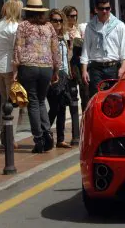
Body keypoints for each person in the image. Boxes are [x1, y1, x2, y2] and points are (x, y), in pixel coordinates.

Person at [13, 0, 60, 153]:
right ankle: (47, 133)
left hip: (28, 66)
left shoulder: (23, 26)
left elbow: (18, 48)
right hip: (46, 67)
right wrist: (56, 69)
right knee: (41, 101)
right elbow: (55, 50)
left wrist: (15, 70)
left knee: (33, 102)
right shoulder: (49, 27)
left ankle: (39, 139)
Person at [81, 0, 125, 99]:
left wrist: (123, 67)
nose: (104, 11)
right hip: (96, 68)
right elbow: (86, 49)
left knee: (113, 99)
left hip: (113, 67)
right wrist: (84, 70)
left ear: (110, 8)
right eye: (101, 8)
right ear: (96, 9)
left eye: (107, 8)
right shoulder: (90, 27)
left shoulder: (119, 25)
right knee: (96, 98)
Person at [0, 0, 23, 149]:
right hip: (9, 67)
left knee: (5, 100)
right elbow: (17, 50)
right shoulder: (15, 27)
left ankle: (4, 132)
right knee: (14, 103)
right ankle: (9, 136)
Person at [46, 9, 74, 148]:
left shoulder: (64, 36)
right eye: (54, 20)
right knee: (55, 107)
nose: (57, 23)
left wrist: (71, 45)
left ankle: (60, 139)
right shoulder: (47, 36)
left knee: (62, 107)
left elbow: (68, 57)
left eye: (60, 20)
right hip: (53, 74)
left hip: (64, 73)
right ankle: (44, 132)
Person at [63, 5, 85, 143]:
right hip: (70, 64)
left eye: (76, 15)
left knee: (84, 96)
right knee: (72, 98)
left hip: (79, 64)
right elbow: (66, 53)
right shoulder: (64, 31)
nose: (74, 18)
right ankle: (74, 135)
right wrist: (70, 44)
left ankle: (82, 132)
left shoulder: (78, 29)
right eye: (71, 16)